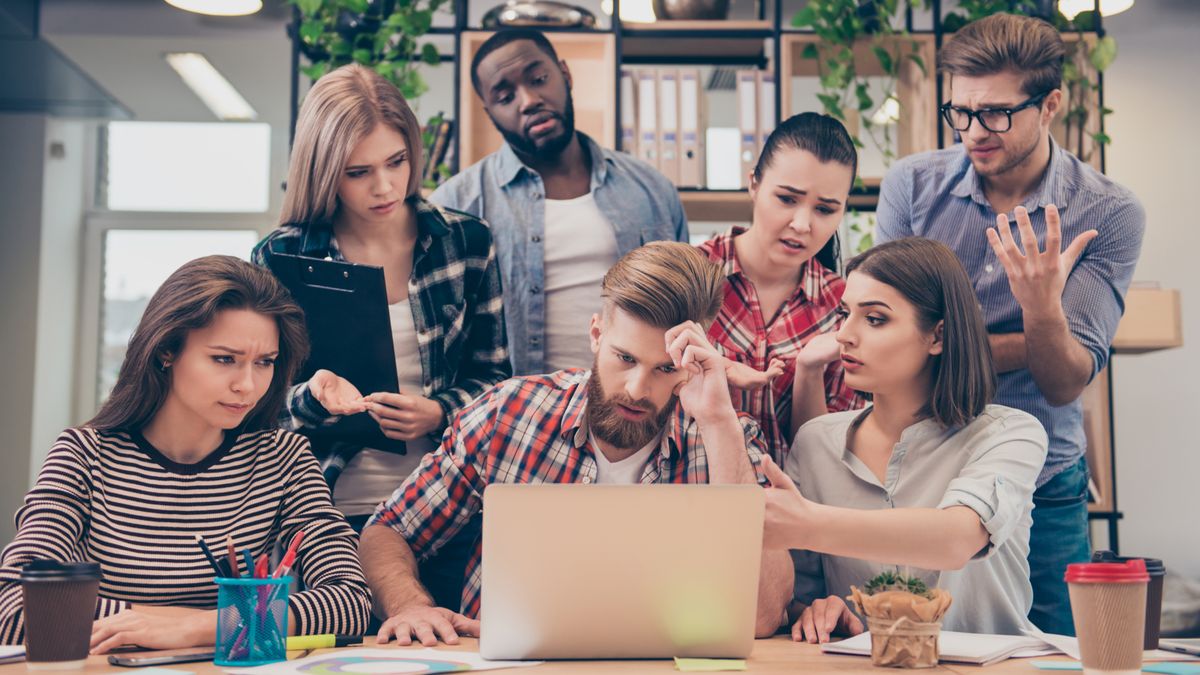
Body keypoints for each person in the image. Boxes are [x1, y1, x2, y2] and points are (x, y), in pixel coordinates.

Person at [358, 242, 793, 646]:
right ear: (596, 334)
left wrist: (719, 422)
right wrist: (411, 607)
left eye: (665, 369)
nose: (637, 389)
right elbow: (387, 531)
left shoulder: (727, 440)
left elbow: (763, 614)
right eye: (625, 358)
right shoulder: (508, 413)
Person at [875, 13, 1144, 635]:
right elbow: (888, 339)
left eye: (995, 113)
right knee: (917, 644)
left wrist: (1041, 308)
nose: (973, 131)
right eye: (960, 112)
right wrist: (1025, 336)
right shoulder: (913, 186)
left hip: (1044, 480)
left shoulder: (1107, 210)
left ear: (1050, 104)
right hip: (924, 464)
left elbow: (1063, 382)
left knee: (1055, 648)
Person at [0, 256, 371, 649]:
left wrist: (193, 628)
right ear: (167, 351)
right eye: (224, 359)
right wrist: (235, 619)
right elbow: (14, 610)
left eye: (264, 363)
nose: (247, 385)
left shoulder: (284, 458)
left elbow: (350, 603)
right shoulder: (83, 455)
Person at [252, 64, 510, 529]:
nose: (384, 186)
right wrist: (313, 397)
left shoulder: (467, 241)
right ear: (325, 171)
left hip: (447, 506)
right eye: (358, 172)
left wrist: (438, 412)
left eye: (396, 161)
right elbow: (254, 399)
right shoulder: (281, 256)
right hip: (322, 511)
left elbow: (496, 379)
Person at [759, 238, 1048, 640]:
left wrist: (806, 523)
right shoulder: (815, 442)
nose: (844, 335)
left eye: (874, 319)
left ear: (938, 337)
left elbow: (957, 539)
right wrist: (815, 609)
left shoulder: (1010, 435)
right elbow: (798, 595)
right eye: (845, 314)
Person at [430, 28, 689, 377]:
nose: (529, 100)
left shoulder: (651, 189)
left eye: (538, 78)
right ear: (488, 111)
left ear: (565, 74)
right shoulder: (455, 205)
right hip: (514, 418)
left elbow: (685, 313)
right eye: (505, 97)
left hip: (638, 409)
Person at [699, 112, 863, 460]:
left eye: (824, 209)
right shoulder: (689, 276)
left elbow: (826, 457)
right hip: (692, 496)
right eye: (787, 199)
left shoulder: (846, 306)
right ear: (754, 184)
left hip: (799, 505)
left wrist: (809, 370)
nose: (802, 224)